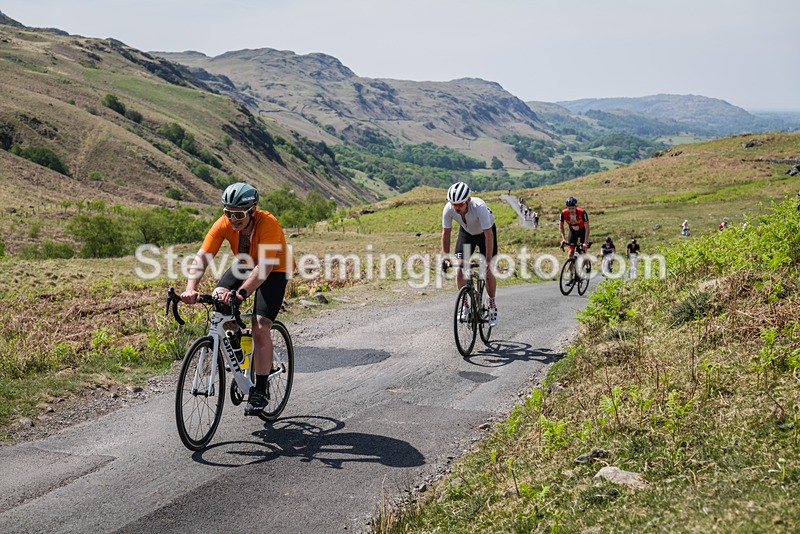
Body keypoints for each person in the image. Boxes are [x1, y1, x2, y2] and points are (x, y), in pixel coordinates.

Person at [180, 182, 291, 416]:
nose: (233, 219)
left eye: (238, 214)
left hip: (274, 269)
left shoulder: (268, 223)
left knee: (260, 325)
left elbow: (265, 268)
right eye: (228, 213)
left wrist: (241, 294)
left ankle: (260, 389)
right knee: (220, 299)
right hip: (244, 264)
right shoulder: (224, 224)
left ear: (253, 210)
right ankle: (236, 343)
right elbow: (203, 256)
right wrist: (191, 287)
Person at [441, 182, 498, 326]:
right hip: (466, 234)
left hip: (485, 234)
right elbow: (446, 234)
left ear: (468, 200)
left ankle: (491, 304)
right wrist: (446, 257)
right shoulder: (449, 209)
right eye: (454, 205)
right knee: (459, 269)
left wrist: (488, 261)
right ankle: (465, 304)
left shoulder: (480, 208)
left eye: (459, 204)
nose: (457, 208)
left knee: (488, 271)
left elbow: (489, 236)